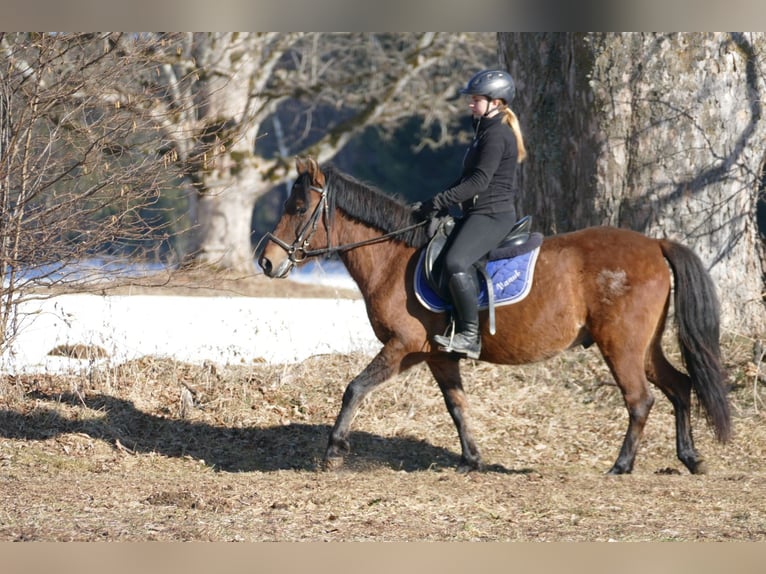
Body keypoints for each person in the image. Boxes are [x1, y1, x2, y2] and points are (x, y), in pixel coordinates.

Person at [413, 69, 527, 359]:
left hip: (492, 216)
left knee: (455, 262)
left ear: (496, 102)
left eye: (476, 99)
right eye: (472, 99)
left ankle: (469, 335)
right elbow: (467, 179)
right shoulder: (484, 132)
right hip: (479, 212)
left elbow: (479, 183)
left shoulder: (497, 135)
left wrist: (440, 200)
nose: (470, 104)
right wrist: (433, 203)